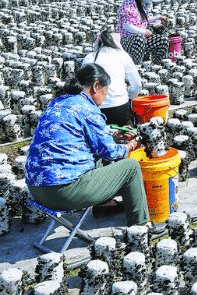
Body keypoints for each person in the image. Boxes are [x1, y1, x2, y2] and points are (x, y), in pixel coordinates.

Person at [25, 64, 149, 227]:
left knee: (94, 156)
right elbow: (110, 153)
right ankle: (141, 227)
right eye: (106, 91)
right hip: (62, 192)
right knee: (131, 167)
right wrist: (132, 144)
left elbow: (78, 139)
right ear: (96, 86)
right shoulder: (88, 109)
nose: (105, 97)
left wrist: (113, 136)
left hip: (36, 189)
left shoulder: (58, 102)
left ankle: (103, 205)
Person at [83, 29, 142, 127]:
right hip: (120, 108)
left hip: (96, 110)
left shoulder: (89, 57)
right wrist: (131, 96)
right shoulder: (123, 55)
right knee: (128, 129)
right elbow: (137, 84)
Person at [117, 0, 169, 65]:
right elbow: (126, 25)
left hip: (140, 38)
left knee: (163, 41)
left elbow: (143, 20)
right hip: (127, 40)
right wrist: (143, 32)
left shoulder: (140, 2)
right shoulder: (129, 2)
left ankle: (154, 65)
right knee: (139, 38)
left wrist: (158, 17)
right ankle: (136, 67)